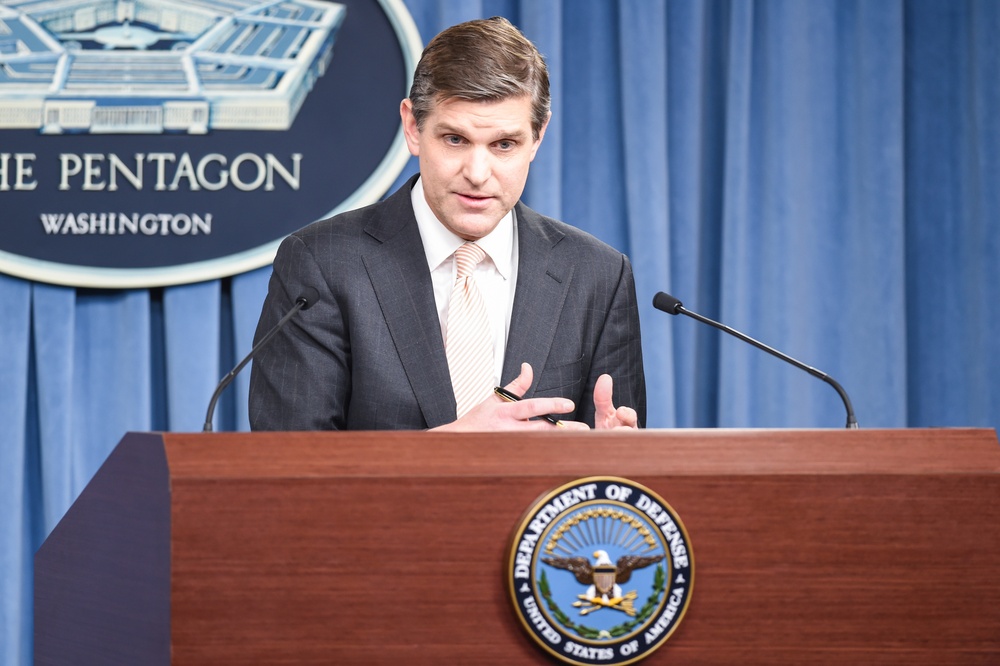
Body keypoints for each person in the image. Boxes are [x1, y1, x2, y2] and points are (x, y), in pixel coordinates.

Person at [249, 17, 645, 431]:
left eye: (504, 144)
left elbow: (618, 486)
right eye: (455, 139)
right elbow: (290, 467)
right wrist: (453, 448)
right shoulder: (323, 265)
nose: (477, 172)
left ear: (538, 137)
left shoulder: (598, 275)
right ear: (413, 127)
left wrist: (613, 463)